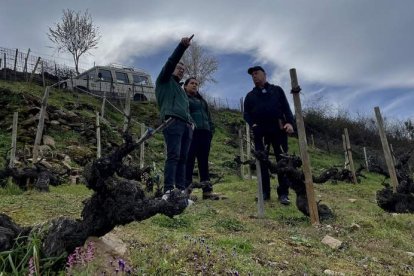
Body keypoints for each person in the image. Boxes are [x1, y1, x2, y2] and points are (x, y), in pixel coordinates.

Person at [243, 66, 294, 205]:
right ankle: (264, 192)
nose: (254, 76)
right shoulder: (250, 96)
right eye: (252, 75)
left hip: (279, 129)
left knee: (282, 160)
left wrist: (289, 123)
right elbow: (246, 113)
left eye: (256, 73)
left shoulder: (276, 90)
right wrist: (252, 124)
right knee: (262, 162)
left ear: (265, 74)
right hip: (260, 132)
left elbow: (286, 108)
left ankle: (283, 193)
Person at [155, 36, 194, 199]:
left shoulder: (181, 91)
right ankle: (168, 190)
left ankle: (181, 191)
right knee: (173, 156)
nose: (181, 69)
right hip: (172, 122)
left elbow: (186, 108)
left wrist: (191, 123)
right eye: (179, 67)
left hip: (186, 125)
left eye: (183, 69)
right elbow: (171, 62)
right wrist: (181, 47)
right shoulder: (164, 81)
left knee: (183, 159)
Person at [184, 77, 219, 200]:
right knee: (189, 161)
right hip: (192, 133)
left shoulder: (202, 101)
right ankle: (186, 191)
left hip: (205, 134)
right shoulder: (184, 99)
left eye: (196, 84)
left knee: (203, 162)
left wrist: (211, 131)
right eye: (192, 83)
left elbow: (209, 117)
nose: (194, 85)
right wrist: (193, 126)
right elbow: (186, 114)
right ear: (186, 86)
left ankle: (207, 191)